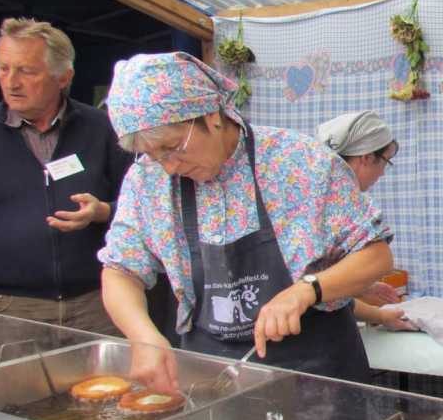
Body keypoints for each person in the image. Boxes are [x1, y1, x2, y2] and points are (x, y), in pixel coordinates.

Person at [99, 52, 394, 394]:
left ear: (211, 115)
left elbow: (376, 256)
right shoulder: (147, 182)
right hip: (212, 376)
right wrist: (142, 337)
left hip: (316, 373)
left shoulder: (300, 163)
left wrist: (306, 290)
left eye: (172, 147)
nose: (168, 166)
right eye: (153, 155)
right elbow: (120, 270)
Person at [0, 18, 131, 336]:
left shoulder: (103, 128)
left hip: (99, 300)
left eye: (26, 71)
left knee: (108, 386)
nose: (11, 82)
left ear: (64, 77)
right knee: (21, 389)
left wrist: (104, 211)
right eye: (4, 68)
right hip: (14, 308)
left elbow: (145, 205)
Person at [316, 111, 416, 332]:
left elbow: (316, 291)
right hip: (315, 338)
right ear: (367, 158)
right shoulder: (348, 205)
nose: (382, 173)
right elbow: (309, 294)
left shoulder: (310, 196)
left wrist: (359, 291)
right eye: (385, 162)